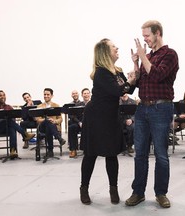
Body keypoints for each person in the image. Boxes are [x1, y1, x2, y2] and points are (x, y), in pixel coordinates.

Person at [125, 20, 179, 208]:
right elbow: (139, 84)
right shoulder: (147, 56)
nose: (145, 39)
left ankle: (161, 193)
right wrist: (136, 65)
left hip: (161, 109)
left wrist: (143, 59)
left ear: (157, 33)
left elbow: (157, 75)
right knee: (140, 153)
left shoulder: (170, 54)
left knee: (161, 154)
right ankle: (138, 192)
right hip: (142, 109)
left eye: (147, 35)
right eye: (144, 36)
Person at [79, 38, 136, 205]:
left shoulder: (117, 71)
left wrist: (135, 69)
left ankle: (113, 189)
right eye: (113, 47)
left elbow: (128, 89)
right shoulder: (101, 72)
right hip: (96, 117)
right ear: (105, 52)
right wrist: (129, 82)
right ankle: (84, 188)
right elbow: (116, 90)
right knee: (91, 154)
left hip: (110, 117)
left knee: (111, 154)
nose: (117, 48)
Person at [0, 90, 35, 158]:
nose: (2, 97)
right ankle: (25, 134)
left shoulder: (9, 107)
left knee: (12, 128)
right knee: (8, 119)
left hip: (7, 128)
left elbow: (13, 119)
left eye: (3, 95)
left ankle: (13, 151)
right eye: (0, 95)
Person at [35, 88, 66, 158]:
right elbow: (38, 119)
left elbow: (60, 119)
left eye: (48, 94)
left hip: (53, 126)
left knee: (49, 127)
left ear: (52, 96)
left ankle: (50, 151)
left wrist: (54, 121)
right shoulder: (39, 106)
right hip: (42, 126)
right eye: (44, 94)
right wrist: (46, 120)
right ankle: (58, 138)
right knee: (47, 121)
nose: (46, 96)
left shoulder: (56, 105)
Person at [68, 88, 90, 158]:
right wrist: (79, 122)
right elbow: (74, 116)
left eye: (87, 93)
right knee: (71, 128)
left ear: (90, 94)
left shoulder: (94, 104)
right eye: (84, 93)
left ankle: (90, 148)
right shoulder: (78, 104)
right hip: (80, 124)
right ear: (82, 95)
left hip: (91, 124)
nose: (86, 95)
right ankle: (73, 150)